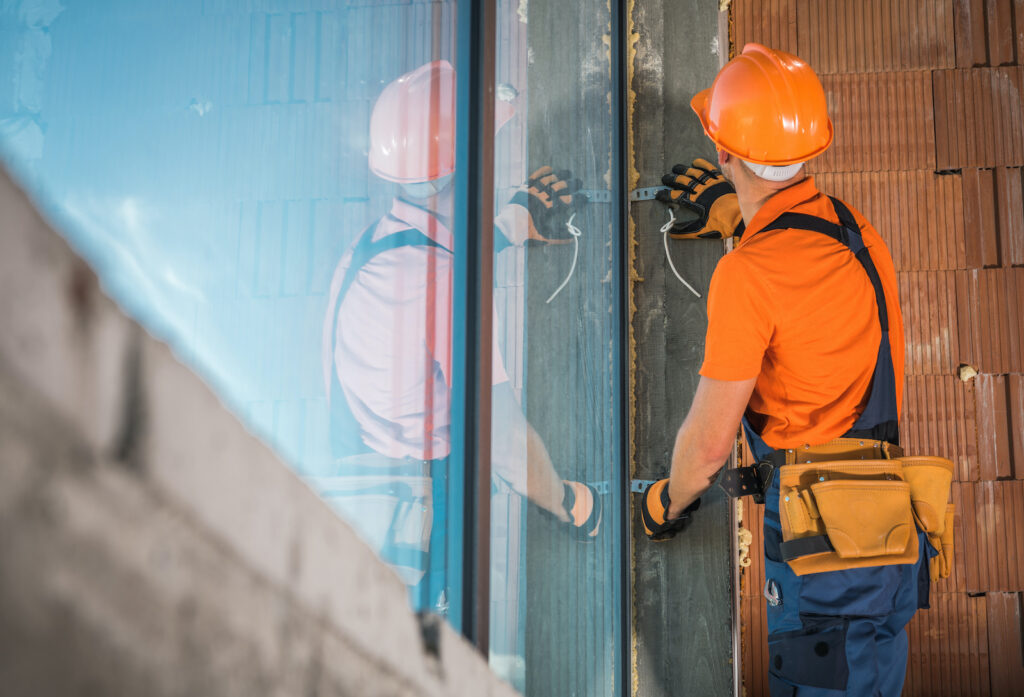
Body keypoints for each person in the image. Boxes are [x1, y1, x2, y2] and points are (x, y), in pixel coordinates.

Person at [639, 44, 944, 695]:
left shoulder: (748, 275)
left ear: (723, 152)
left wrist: (666, 501)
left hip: (826, 554)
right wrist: (738, 215)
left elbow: (708, 447)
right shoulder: (856, 229)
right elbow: (811, 304)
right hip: (886, 531)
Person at [321, 60, 601, 611]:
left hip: (371, 487)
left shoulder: (369, 249)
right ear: (462, 167)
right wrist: (570, 505)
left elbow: (429, 285)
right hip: (424, 509)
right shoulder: (441, 282)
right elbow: (501, 440)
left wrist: (505, 229)